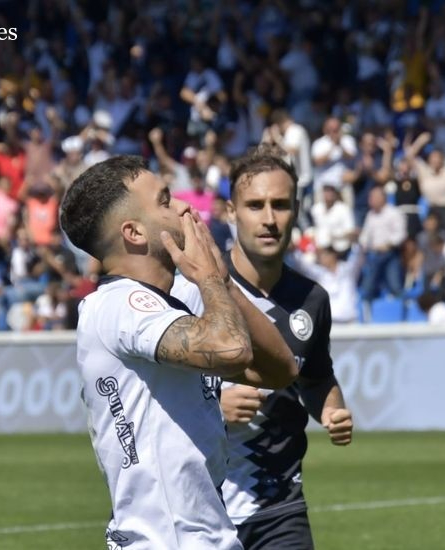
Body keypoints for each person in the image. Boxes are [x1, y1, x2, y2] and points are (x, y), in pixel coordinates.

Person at [59, 155, 297, 549]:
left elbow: (280, 370)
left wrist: (222, 282)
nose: (186, 207)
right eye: (166, 201)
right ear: (134, 232)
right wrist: (210, 279)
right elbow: (232, 350)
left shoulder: (180, 297)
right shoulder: (117, 305)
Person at [172, 147, 353, 549]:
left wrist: (331, 409)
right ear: (231, 212)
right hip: (201, 509)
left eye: (280, 205)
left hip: (279, 508)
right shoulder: (191, 292)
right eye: (255, 205)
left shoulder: (312, 300)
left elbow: (316, 377)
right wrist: (214, 404)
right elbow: (151, 391)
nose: (269, 219)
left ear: (296, 211)